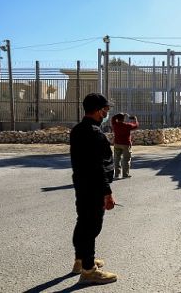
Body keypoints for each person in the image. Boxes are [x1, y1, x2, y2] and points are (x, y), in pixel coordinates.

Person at [70, 93, 118, 285]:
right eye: (105, 109)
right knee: (91, 227)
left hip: (82, 185)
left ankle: (80, 261)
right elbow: (97, 166)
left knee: (83, 223)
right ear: (98, 110)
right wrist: (107, 193)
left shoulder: (77, 130)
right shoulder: (94, 133)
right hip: (95, 187)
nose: (107, 113)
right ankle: (88, 271)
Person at [111, 113, 139, 178]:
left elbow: (113, 118)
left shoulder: (115, 124)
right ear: (123, 119)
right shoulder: (127, 125)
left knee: (117, 159)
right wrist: (135, 119)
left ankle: (116, 175)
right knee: (126, 159)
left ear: (117, 119)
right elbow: (136, 125)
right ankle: (125, 174)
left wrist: (121, 114)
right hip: (126, 144)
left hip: (117, 143)